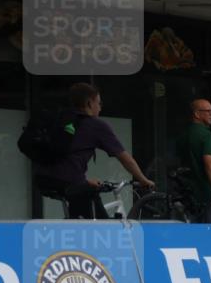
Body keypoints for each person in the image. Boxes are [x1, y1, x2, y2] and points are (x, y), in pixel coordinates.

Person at [32, 82, 154, 218]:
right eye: (99, 103)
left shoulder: (62, 120)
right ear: (90, 103)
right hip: (67, 180)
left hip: (43, 178)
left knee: (81, 215)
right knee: (101, 226)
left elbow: (66, 156)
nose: (100, 108)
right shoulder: (95, 125)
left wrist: (83, 181)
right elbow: (125, 159)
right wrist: (143, 180)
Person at [176, 98, 211, 219]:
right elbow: (209, 162)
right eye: (208, 111)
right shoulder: (205, 135)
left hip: (186, 194)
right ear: (197, 114)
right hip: (205, 194)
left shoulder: (182, 135)